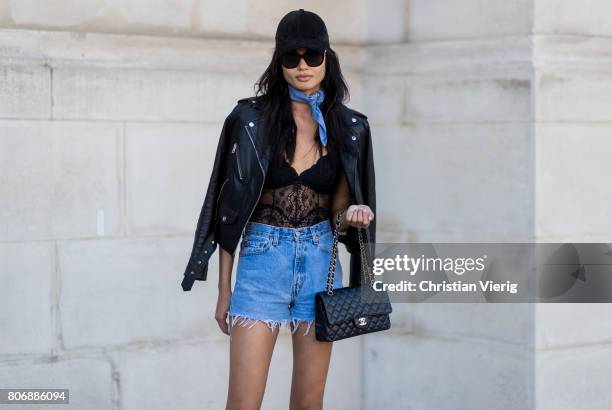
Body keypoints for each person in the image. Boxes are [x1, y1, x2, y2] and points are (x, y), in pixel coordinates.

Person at [182, 9, 376, 410]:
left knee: (308, 404)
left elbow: (337, 212)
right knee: (243, 404)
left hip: (321, 268)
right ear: (279, 60)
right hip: (260, 264)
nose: (302, 66)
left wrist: (353, 215)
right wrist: (224, 289)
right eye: (292, 57)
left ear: (328, 58)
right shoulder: (250, 120)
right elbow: (226, 208)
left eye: (312, 56)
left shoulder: (349, 127)